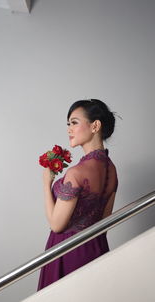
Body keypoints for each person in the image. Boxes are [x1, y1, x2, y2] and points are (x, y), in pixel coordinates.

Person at [37, 99, 118, 290]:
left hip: (67, 252)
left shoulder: (76, 173)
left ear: (95, 126)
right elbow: (104, 224)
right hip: (97, 250)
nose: (69, 129)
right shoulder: (112, 170)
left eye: (74, 122)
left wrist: (46, 184)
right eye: (68, 124)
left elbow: (56, 225)